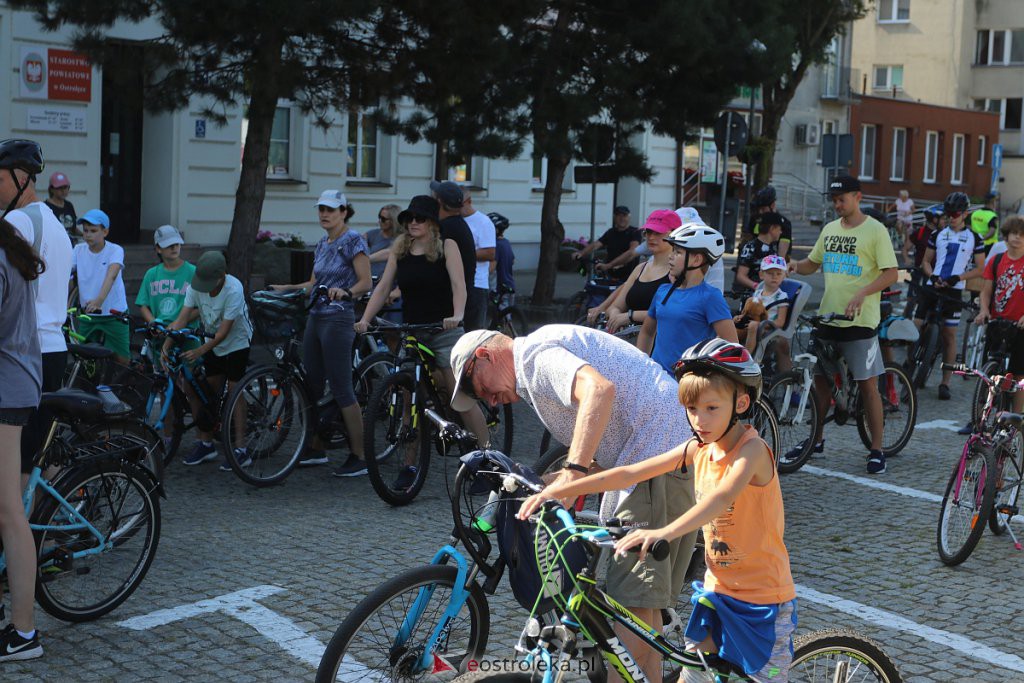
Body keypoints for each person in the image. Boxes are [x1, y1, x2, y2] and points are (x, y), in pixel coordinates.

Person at [517, 339, 795, 683]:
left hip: (763, 598)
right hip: (718, 590)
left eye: (711, 408)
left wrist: (664, 531)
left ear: (740, 403)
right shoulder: (698, 448)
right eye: (691, 409)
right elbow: (630, 472)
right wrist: (561, 488)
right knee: (695, 677)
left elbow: (720, 499)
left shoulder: (752, 450)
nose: (699, 420)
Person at [449, 326, 697, 683]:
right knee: (642, 607)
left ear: (484, 355)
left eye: (476, 387)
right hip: (653, 456)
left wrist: (573, 472)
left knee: (633, 601)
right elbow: (608, 431)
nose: (488, 400)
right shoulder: (532, 368)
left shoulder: (533, 357)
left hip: (655, 458)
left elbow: (599, 390)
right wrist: (562, 478)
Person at [355, 195, 488, 488]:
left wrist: (457, 315)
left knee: (459, 396)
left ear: (432, 223)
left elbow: (459, 285)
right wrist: (365, 319)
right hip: (414, 331)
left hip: (443, 330)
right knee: (409, 399)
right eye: (409, 219)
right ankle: (409, 465)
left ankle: (487, 460)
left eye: (420, 218)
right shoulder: (400, 249)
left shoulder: (447, 246)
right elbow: (383, 288)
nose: (413, 223)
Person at [788, 176, 898, 474]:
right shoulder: (830, 229)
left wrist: (863, 293)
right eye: (834, 200)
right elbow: (813, 263)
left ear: (857, 197)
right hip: (828, 316)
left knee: (867, 386)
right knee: (821, 384)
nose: (837, 205)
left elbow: (891, 273)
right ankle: (816, 440)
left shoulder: (875, 230)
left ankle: (877, 449)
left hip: (860, 321)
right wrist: (795, 265)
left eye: (842, 199)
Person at [271, 190, 371, 475]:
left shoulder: (353, 240)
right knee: (312, 385)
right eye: (321, 209)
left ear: (343, 212)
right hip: (316, 317)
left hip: (338, 319)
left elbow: (365, 282)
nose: (324, 214)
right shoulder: (322, 244)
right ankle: (316, 447)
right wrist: (287, 288)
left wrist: (346, 291)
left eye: (330, 210)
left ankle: (360, 456)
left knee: (341, 387)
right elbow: (313, 284)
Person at [0, 139, 73, 493]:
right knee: (37, 450)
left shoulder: (18, 220)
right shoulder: (55, 224)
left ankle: (20, 525)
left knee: (19, 461)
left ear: (22, 178)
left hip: (26, 351)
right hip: (54, 348)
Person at [0, 217, 45, 662]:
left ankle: (25, 634)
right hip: (16, 384)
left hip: (6, 393)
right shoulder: (10, 248)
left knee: (9, 511)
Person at [164, 251, 253, 470]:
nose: (205, 288)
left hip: (236, 342)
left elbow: (224, 332)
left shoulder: (234, 289)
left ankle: (241, 449)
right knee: (205, 392)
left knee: (234, 391)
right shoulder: (195, 286)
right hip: (211, 340)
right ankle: (205, 443)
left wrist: (199, 351)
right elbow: (182, 318)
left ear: (222, 276)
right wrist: (166, 345)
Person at [637, 224, 737, 375]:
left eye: (678, 252)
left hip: (686, 382)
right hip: (655, 379)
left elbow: (731, 345)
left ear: (696, 260)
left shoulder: (710, 297)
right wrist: (641, 366)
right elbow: (647, 332)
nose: (670, 256)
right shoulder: (663, 291)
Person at [914, 192, 985, 400]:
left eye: (955, 214)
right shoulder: (937, 234)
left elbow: (980, 268)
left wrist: (958, 278)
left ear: (964, 214)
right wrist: (932, 275)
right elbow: (925, 262)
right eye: (948, 214)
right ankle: (912, 360)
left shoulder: (975, 238)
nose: (951, 218)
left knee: (949, 336)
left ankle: (945, 382)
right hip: (933, 286)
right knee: (916, 325)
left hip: (954, 289)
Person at [586, 209, 676, 332]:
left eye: (658, 232)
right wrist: (615, 315)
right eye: (648, 232)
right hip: (630, 339)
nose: (651, 237)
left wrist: (630, 316)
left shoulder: (679, 271)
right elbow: (615, 306)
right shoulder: (640, 269)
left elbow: (672, 313)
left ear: (674, 234)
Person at [975, 215, 1024, 415]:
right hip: (998, 322)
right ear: (1006, 236)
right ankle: (980, 417)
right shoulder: (996, 261)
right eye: (1014, 233)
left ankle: (1016, 419)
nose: (1018, 238)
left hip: (1020, 325)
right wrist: (984, 310)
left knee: (1019, 374)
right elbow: (986, 291)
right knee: (988, 373)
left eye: (1022, 235)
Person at [72, 209, 130, 364]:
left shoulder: (115, 250)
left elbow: (112, 275)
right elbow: (65, 274)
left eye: (93, 231)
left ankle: (122, 379)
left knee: (121, 360)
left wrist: (99, 301)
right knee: (85, 359)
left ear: (105, 232)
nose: (88, 235)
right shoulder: (78, 250)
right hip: (88, 314)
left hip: (114, 313)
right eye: (85, 231)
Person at [430, 180, 477, 325]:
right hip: (463, 300)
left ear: (439, 201)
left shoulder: (445, 229)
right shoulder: (458, 224)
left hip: (451, 306)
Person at [736, 255, 790, 355]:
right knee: (734, 321)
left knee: (753, 326)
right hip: (754, 324)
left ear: (784, 276)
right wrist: (741, 317)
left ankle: (747, 356)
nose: (775, 277)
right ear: (761, 275)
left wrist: (761, 324)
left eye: (779, 274)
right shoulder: (758, 293)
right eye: (770, 273)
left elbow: (780, 322)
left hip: (769, 328)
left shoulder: (782, 296)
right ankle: (726, 350)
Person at [459, 189, 497, 331]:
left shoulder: (483, 222)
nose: (457, 208)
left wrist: (459, 254)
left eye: (460, 204)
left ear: (469, 202)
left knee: (474, 331)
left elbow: (489, 253)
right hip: (456, 283)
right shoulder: (455, 220)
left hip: (476, 284)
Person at [573, 206, 642, 282]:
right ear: (614, 217)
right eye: (619, 216)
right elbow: (596, 244)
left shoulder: (635, 232)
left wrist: (609, 265)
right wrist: (581, 253)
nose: (622, 218)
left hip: (629, 276)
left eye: (624, 216)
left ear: (629, 217)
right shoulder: (610, 232)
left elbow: (632, 251)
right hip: (611, 275)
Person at [734, 212, 782, 293]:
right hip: (753, 296)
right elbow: (741, 276)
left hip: (769, 295)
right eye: (779, 229)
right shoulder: (751, 247)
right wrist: (756, 286)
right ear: (772, 229)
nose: (781, 232)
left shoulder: (773, 247)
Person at [743, 186, 793, 260]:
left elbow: (781, 256)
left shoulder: (784, 224)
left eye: (763, 209)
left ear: (772, 205)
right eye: (759, 209)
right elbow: (747, 242)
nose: (760, 212)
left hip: (773, 263)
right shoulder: (755, 220)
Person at [365, 203, 401, 280]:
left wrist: (365, 259)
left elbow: (390, 252)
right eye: (379, 217)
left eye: (383, 219)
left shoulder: (402, 238)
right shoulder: (372, 234)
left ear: (393, 220)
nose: (380, 221)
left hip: (390, 281)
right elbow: (356, 246)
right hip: (371, 279)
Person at [43, 171, 76, 238]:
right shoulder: (45, 207)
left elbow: (73, 228)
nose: (63, 191)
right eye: (59, 188)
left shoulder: (69, 205)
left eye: (65, 187)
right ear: (51, 189)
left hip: (71, 243)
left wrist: (84, 236)